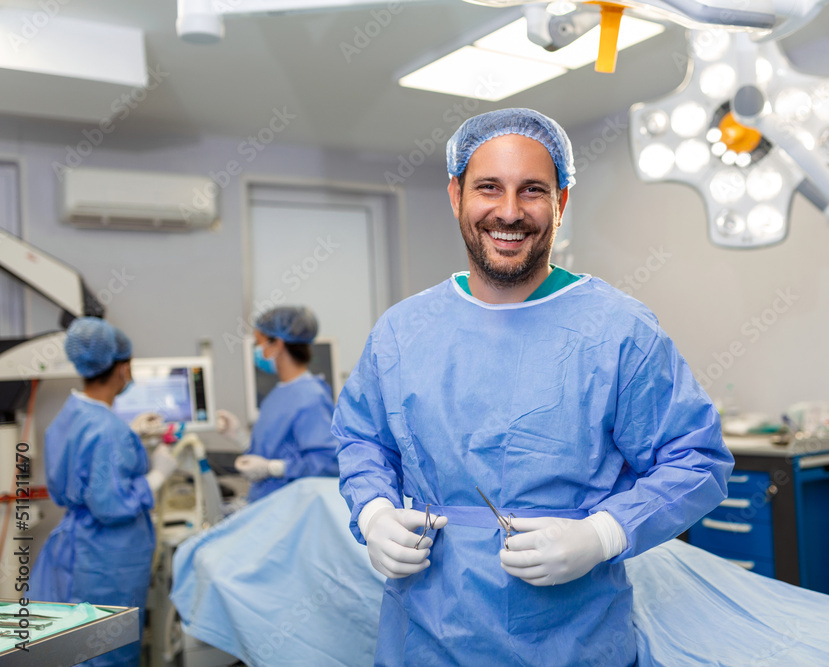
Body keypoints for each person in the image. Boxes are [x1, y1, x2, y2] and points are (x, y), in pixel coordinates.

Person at [333, 108, 734, 666]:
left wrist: (603, 534)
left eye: (533, 191)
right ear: (455, 195)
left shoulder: (618, 330)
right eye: (488, 188)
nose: (509, 211)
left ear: (562, 203)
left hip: (573, 640)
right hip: (424, 635)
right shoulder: (402, 332)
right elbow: (363, 440)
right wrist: (374, 510)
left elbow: (697, 459)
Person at [30, 317, 177, 667]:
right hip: (108, 559)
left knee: (73, 645)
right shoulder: (107, 429)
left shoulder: (74, 413)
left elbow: (88, 470)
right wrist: (157, 475)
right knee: (103, 652)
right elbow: (111, 504)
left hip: (79, 545)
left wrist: (130, 436)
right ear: (122, 368)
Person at [217, 305, 339, 502]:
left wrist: (273, 468)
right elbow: (272, 452)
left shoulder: (311, 397)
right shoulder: (279, 394)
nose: (256, 351)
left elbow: (328, 463)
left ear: (278, 344)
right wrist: (239, 437)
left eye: (259, 343)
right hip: (268, 505)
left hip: (291, 511)